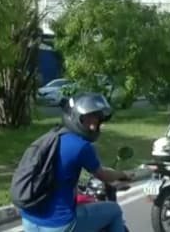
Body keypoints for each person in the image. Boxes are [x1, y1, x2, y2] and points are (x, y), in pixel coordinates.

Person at [20, 93, 132, 232]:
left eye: (96, 121)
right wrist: (123, 174)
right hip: (59, 224)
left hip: (29, 219)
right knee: (114, 210)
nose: (93, 127)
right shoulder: (82, 146)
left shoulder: (51, 138)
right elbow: (102, 175)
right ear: (75, 118)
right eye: (88, 120)